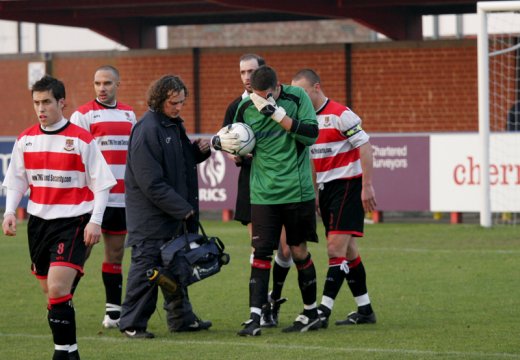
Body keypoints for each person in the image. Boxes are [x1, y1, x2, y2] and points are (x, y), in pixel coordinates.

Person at [2, 75, 116, 360]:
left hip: (73, 221)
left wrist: (95, 221)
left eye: (46, 102)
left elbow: (101, 184)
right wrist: (9, 212)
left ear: (61, 102)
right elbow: (16, 181)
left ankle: (61, 353)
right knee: (52, 296)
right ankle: (71, 350)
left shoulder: (81, 139)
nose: (41, 109)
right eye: (36, 103)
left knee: (57, 286)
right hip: (38, 224)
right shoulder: (26, 140)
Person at [213, 65, 320, 336]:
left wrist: (280, 117)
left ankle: (310, 312)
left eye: (265, 96)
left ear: (277, 87)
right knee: (260, 254)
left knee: (298, 251)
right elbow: (236, 142)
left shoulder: (298, 98)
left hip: (297, 191)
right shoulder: (245, 106)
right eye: (256, 95)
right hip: (262, 194)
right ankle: (255, 317)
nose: (260, 101)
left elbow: (310, 135)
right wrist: (234, 151)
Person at [119, 74, 212, 339]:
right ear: (159, 100)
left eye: (181, 102)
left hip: (170, 217)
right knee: (146, 271)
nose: (178, 107)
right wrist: (182, 208)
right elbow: (150, 182)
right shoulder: (147, 130)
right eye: (173, 103)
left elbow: (180, 164)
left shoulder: (172, 126)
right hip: (150, 221)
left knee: (175, 269)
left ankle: (182, 319)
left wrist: (198, 153)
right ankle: (132, 324)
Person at [291, 68, 377, 327]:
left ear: (317, 87)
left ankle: (322, 312)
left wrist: (367, 186)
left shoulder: (341, 114)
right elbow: (313, 161)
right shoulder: (306, 121)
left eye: (304, 92)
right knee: (348, 251)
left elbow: (365, 146)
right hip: (327, 190)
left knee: (334, 249)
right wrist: (315, 193)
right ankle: (365, 310)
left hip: (347, 186)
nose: (301, 99)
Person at [222, 54, 292, 327]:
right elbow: (229, 144)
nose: (247, 77)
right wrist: (237, 155)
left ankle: (274, 298)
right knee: (260, 248)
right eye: (242, 72)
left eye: (252, 71)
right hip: (252, 183)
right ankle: (260, 308)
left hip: (283, 183)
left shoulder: (284, 103)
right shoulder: (236, 107)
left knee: (285, 251)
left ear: (264, 72)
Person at [70, 65, 137, 329]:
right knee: (80, 253)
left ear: (117, 84)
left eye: (107, 83)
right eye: (97, 83)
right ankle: (62, 300)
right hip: (92, 200)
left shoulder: (130, 114)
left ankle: (113, 313)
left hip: (121, 198)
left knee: (116, 255)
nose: (102, 88)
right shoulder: (83, 115)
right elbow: (75, 158)